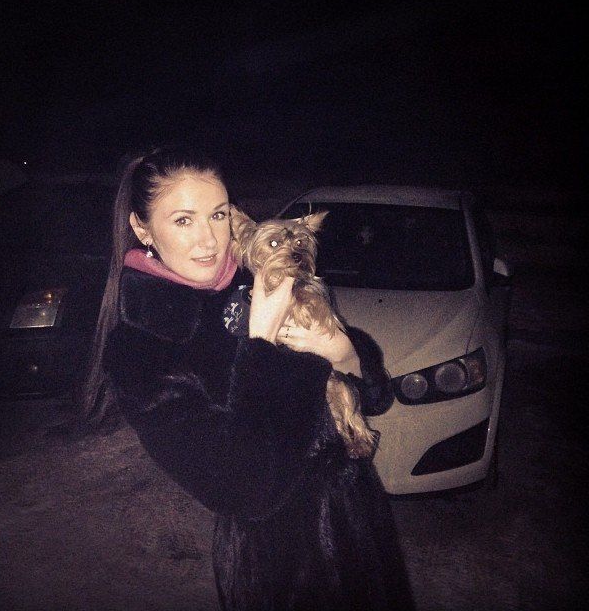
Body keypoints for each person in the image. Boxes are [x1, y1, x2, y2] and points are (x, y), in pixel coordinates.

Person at [80, 147, 415, 610]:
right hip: (281, 567)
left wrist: (346, 353)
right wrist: (262, 343)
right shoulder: (141, 349)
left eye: (218, 215)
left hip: (361, 531)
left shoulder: (259, 275)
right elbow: (245, 486)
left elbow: (375, 398)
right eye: (183, 220)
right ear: (142, 229)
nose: (209, 240)